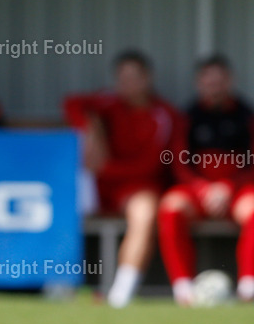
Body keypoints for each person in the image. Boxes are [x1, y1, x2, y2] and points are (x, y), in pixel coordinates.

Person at [63, 51, 179, 307]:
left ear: (147, 79)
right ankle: (56, 284)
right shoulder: (107, 102)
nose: (126, 85)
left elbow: (150, 167)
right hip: (97, 185)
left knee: (145, 213)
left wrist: (103, 167)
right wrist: (90, 128)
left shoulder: (164, 116)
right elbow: (71, 103)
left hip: (135, 186)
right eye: (121, 78)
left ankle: (120, 295)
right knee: (57, 202)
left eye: (133, 78)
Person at [158, 55, 254, 305]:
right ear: (199, 83)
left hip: (238, 189)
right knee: (170, 208)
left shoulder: (246, 116)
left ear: (229, 81)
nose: (214, 86)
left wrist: (227, 186)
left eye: (219, 81)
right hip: (198, 190)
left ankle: (248, 289)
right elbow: (178, 163)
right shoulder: (187, 117)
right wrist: (203, 189)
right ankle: (184, 290)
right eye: (208, 81)